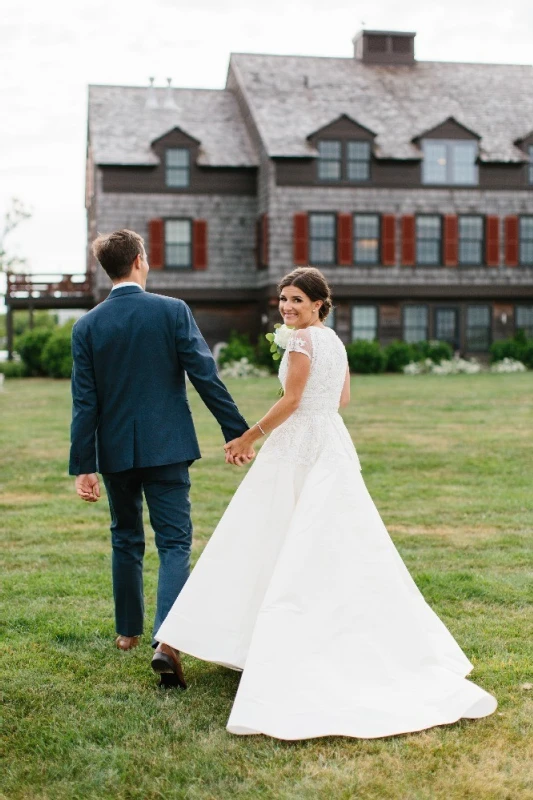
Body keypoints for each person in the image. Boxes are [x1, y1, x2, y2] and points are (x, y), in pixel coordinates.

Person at [155, 266, 497, 740]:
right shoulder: (333, 340)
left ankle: (195, 639)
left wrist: (246, 437)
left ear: (319, 302)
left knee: (256, 537)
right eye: (283, 299)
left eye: (297, 300)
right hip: (330, 442)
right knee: (319, 541)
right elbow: (343, 398)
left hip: (297, 447)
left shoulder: (300, 342)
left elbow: (293, 400)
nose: (287, 307)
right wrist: (310, 412)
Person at [69, 229, 252, 687]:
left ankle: (127, 633)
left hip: (114, 452)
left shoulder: (86, 326)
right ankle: (168, 640)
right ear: (138, 260)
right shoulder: (172, 311)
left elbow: (84, 403)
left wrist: (83, 465)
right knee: (174, 543)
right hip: (168, 446)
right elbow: (205, 376)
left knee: (125, 536)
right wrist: (238, 433)